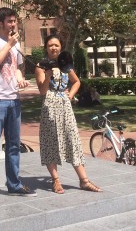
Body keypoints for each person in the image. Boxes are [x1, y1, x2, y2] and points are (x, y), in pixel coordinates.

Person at [0, 7, 37, 206]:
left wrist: (21, 80)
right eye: (9, 21)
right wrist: (9, 45)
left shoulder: (16, 44)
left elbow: (17, 69)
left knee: (14, 145)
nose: (13, 24)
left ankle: (14, 184)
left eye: (14, 21)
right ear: (0, 22)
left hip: (14, 100)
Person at [35, 35, 102, 194]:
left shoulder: (65, 64)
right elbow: (42, 91)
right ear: (46, 47)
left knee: (72, 140)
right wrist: (48, 75)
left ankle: (84, 180)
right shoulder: (40, 66)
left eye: (56, 45)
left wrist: (70, 95)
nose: (54, 48)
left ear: (61, 46)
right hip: (49, 106)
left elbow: (77, 81)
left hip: (65, 106)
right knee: (51, 142)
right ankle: (56, 180)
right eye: (50, 45)